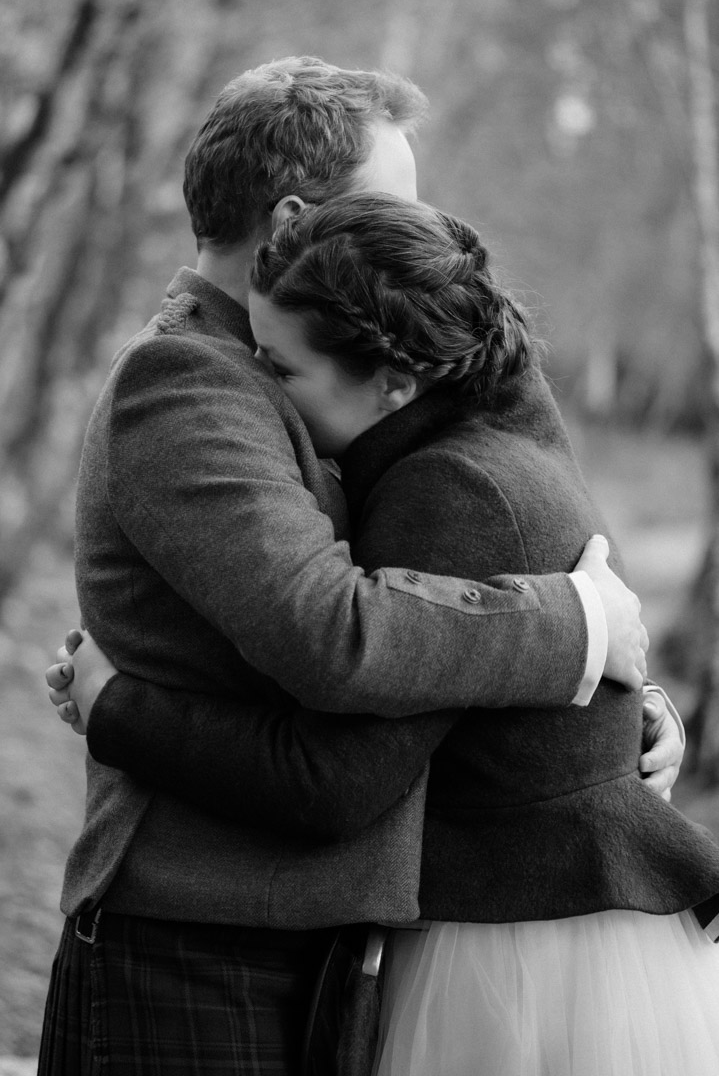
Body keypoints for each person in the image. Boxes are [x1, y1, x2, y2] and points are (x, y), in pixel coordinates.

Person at [39, 56, 668, 1076]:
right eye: (395, 205)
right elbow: (334, 629)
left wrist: (620, 707)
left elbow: (499, 521)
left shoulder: (337, 365)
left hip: (301, 940)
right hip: (199, 943)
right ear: (292, 219)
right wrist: (574, 626)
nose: (415, 238)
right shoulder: (190, 381)